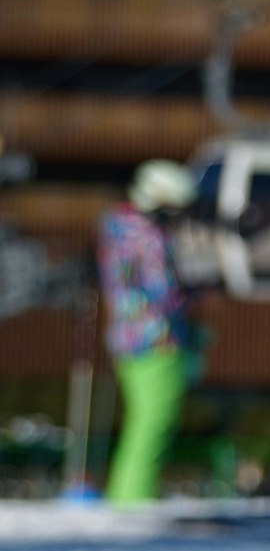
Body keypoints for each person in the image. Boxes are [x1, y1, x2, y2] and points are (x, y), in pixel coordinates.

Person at [96, 160, 201, 505]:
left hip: (129, 336)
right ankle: (133, 496)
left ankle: (128, 493)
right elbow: (158, 288)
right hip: (156, 337)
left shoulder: (117, 227)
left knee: (143, 421)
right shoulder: (143, 232)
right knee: (154, 422)